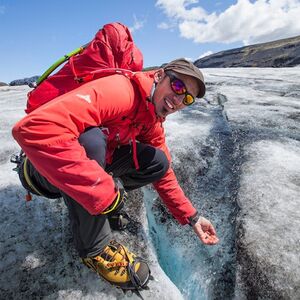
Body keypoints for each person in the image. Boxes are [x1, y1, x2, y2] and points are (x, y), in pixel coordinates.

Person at [12, 58, 219, 290]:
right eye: (178, 86)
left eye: (187, 98)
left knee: (157, 162)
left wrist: (192, 217)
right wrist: (104, 193)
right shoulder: (121, 92)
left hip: (81, 166)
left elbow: (164, 172)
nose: (179, 100)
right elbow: (33, 128)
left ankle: (97, 204)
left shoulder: (150, 115)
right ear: (159, 76)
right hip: (41, 169)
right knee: (90, 142)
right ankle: (95, 250)